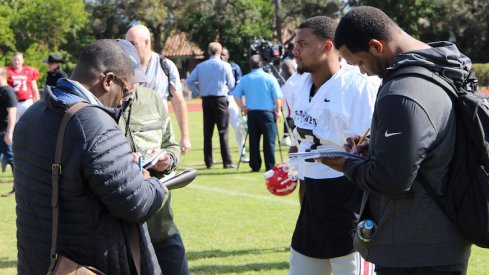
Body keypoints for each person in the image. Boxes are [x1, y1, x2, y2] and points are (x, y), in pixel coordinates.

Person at [317, 6, 472, 274]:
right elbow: (430, 148)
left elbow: (391, 179)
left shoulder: (403, 91)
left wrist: (346, 165)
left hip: (414, 247)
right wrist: (376, 147)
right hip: (445, 237)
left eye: (359, 63)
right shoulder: (443, 68)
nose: (362, 73)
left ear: (376, 46)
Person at [14, 39, 167, 274]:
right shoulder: (94, 123)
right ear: (108, 81)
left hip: (38, 262)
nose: (125, 99)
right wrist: (154, 183)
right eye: (125, 90)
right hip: (87, 265)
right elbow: (136, 203)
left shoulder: (33, 113)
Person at [282, 16, 378, 275]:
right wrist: (291, 166)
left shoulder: (358, 87)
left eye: (302, 43)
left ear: (327, 46)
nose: (295, 50)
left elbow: (372, 154)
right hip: (311, 205)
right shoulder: (294, 86)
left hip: (349, 202)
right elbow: (300, 140)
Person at [117, 39, 189, 275]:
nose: (131, 87)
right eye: (126, 81)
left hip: (161, 225)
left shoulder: (153, 99)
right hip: (121, 235)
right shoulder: (96, 110)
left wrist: (168, 158)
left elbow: (171, 144)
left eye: (134, 79)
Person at [126, 24, 191, 155]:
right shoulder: (124, 67)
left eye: (133, 43)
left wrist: (185, 136)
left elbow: (178, 102)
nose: (128, 48)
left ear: (146, 42)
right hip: (132, 137)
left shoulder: (165, 66)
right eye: (126, 44)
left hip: (158, 134)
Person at [186, 42, 236, 169]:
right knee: (223, 131)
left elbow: (189, 81)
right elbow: (231, 84)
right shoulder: (225, 65)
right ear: (220, 52)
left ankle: (209, 161)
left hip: (206, 100)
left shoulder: (201, 66)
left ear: (209, 52)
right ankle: (227, 161)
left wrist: (198, 93)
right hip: (220, 99)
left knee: (207, 132)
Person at [233, 54, 283, 172]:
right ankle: (270, 166)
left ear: (251, 65)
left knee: (254, 141)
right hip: (267, 113)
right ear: (263, 65)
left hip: (252, 113)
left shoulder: (245, 78)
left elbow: (236, 95)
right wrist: (278, 110)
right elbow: (277, 97)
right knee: (269, 141)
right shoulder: (270, 78)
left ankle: (255, 166)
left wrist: (242, 107)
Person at [221, 47, 248, 163]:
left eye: (224, 54)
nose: (222, 56)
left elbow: (239, 86)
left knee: (237, 127)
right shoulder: (215, 67)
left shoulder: (234, 67)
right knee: (221, 129)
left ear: (227, 56)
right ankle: (225, 157)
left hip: (232, 98)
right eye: (220, 54)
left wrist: (241, 103)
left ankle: (242, 152)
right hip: (219, 98)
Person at [6, 52, 40, 119]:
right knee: (14, 126)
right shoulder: (8, 71)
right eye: (15, 60)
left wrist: (37, 105)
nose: (17, 62)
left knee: (28, 125)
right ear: (12, 61)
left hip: (26, 102)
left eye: (18, 60)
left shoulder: (29, 71)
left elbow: (34, 90)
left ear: (22, 61)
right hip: (13, 103)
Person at [0, 67, 17, 197]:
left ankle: (17, 188)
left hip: (4, 132)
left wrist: (9, 132)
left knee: (12, 160)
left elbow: (12, 112)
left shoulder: (8, 91)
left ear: (3, 76)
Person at [279, 42, 298, 147]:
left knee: (293, 114)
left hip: (294, 91)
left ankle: (291, 136)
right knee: (290, 114)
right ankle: (286, 137)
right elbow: (294, 76)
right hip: (288, 92)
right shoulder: (287, 62)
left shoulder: (294, 60)